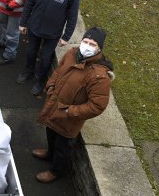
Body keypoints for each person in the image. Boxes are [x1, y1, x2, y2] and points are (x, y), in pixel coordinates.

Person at [33, 27, 114, 183]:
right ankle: (50, 154)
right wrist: (50, 86)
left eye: (92, 43)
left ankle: (56, 171)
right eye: (85, 41)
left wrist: (71, 111)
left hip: (70, 118)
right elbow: (58, 71)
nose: (87, 45)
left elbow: (97, 106)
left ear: (99, 49)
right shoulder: (71, 53)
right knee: (51, 134)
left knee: (63, 148)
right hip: (54, 108)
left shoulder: (99, 76)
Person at [18, 0, 80, 96]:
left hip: (53, 33)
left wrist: (66, 36)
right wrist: (23, 22)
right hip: (34, 28)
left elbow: (72, 16)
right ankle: (28, 71)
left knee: (46, 58)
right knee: (30, 52)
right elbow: (29, 4)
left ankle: (40, 80)